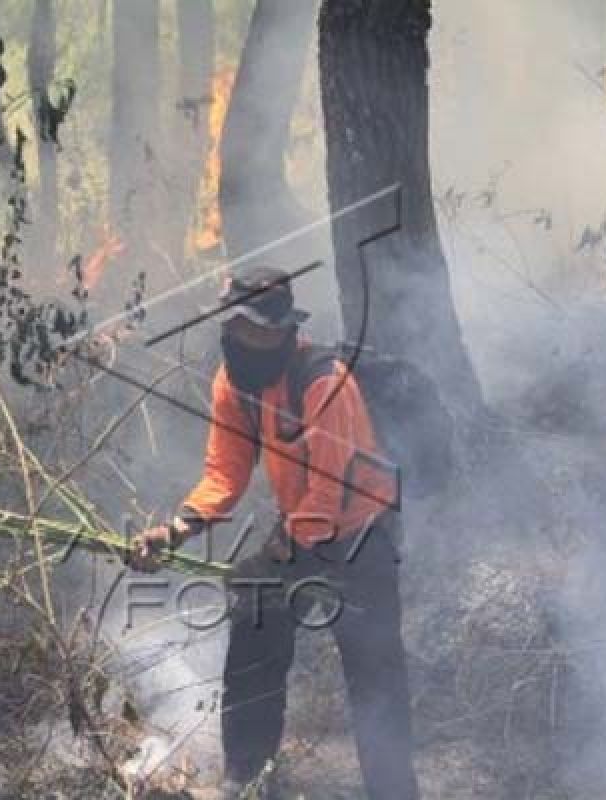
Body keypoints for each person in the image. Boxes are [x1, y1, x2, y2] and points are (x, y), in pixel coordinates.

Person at [131, 266, 420, 799]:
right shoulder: (232, 383)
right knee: (253, 639)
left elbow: (334, 492)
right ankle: (247, 778)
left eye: (267, 328)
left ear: (286, 328)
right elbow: (225, 472)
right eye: (246, 327)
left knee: (374, 676)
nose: (256, 338)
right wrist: (176, 530)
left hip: (360, 537)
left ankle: (394, 791)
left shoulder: (322, 381)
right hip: (302, 529)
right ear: (231, 327)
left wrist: (278, 551)